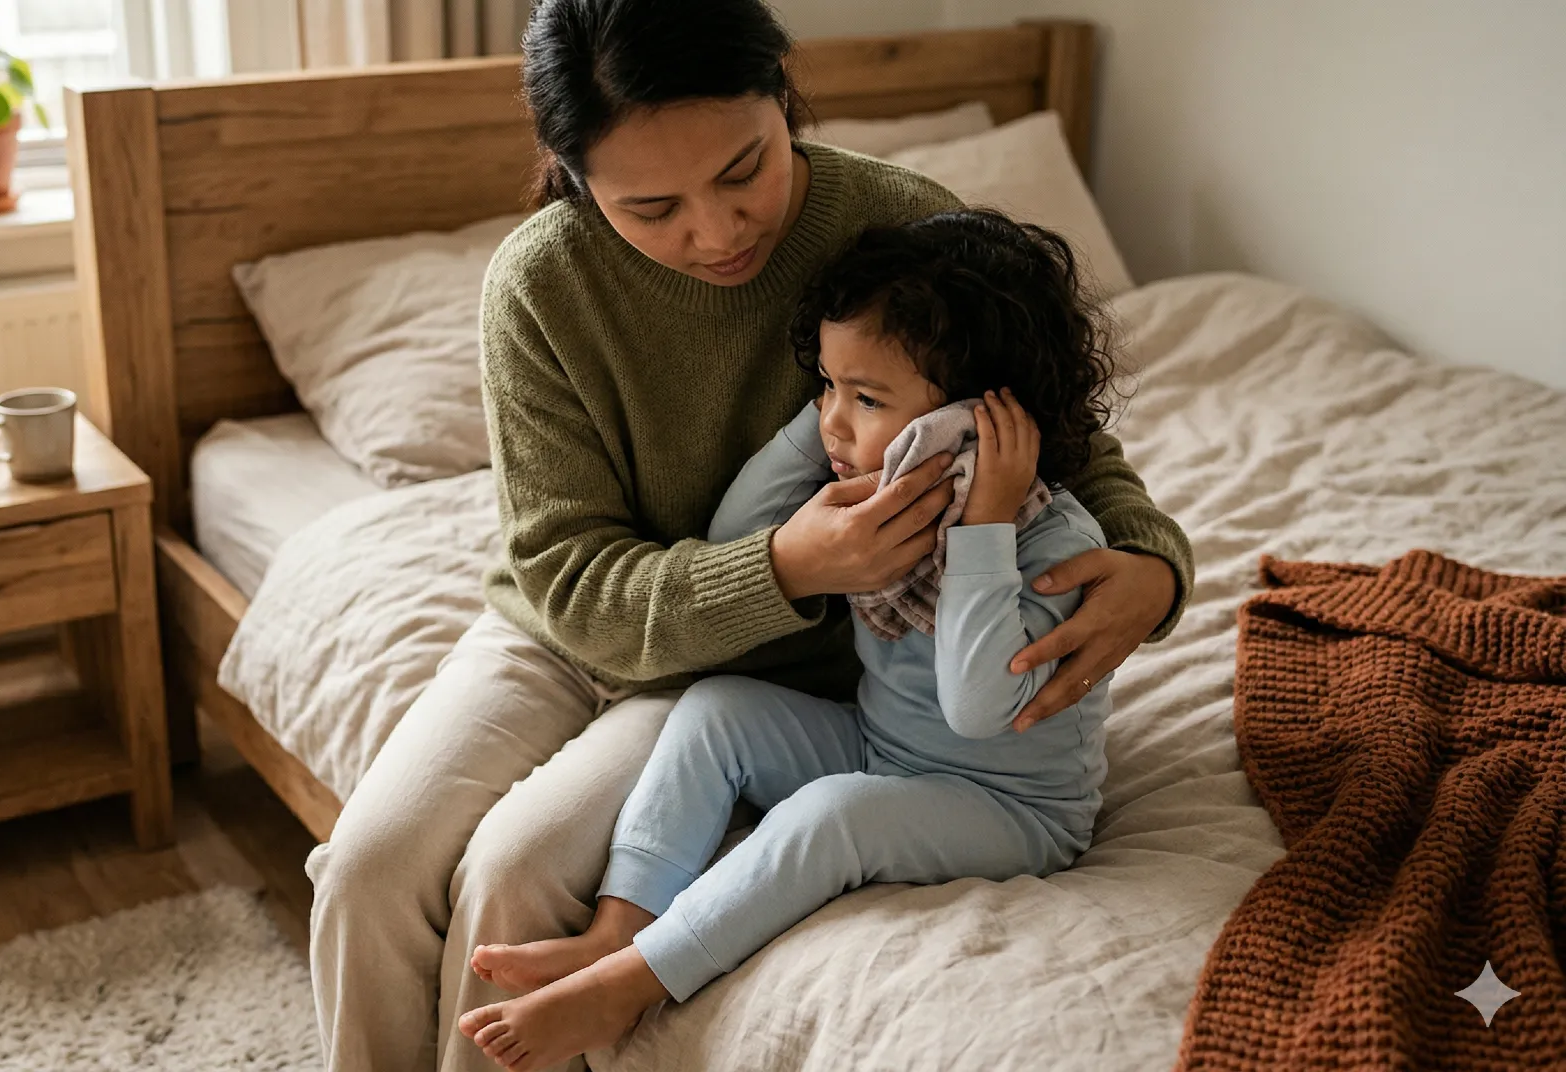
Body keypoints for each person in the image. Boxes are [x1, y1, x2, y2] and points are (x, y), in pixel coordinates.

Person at [304, 2, 1195, 1070]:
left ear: (784, 93)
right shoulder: (542, 285)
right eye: (653, 205)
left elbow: (1051, 432)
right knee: (367, 865)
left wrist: (1151, 561)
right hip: (572, 629)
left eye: (743, 170)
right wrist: (787, 563)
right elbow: (568, 577)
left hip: (757, 661)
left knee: (513, 873)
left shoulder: (895, 221)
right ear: (575, 176)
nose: (717, 232)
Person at [460, 211, 1119, 1070]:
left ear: (971, 425)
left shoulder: (1048, 542)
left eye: (868, 399)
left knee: (833, 816)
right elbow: (739, 530)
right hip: (885, 747)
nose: (836, 422)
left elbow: (978, 702)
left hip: (1011, 809)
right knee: (718, 709)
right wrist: (831, 422)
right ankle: (619, 927)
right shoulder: (885, 501)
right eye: (829, 389)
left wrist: (982, 531)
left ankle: (635, 984)